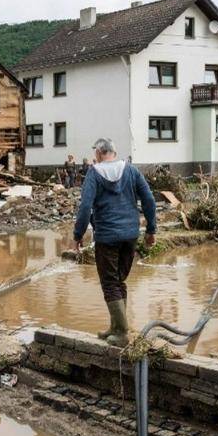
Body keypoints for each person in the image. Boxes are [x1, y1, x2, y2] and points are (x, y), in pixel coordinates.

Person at [73, 138, 157, 346]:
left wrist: (77, 235)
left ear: (100, 153)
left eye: (95, 154)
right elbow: (149, 200)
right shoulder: (131, 171)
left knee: (110, 283)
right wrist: (151, 230)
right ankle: (116, 326)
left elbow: (85, 208)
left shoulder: (94, 173)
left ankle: (120, 333)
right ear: (114, 151)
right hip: (130, 235)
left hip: (107, 236)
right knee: (119, 281)